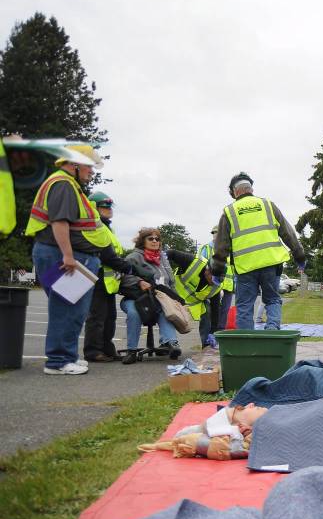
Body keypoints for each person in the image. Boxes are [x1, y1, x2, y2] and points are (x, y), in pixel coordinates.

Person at [26, 145, 133, 375]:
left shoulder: (66, 184)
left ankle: (67, 356)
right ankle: (58, 361)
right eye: (89, 166)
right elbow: (59, 222)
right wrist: (68, 255)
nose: (91, 172)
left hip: (62, 253)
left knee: (71, 308)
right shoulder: (63, 184)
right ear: (74, 164)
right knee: (67, 308)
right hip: (63, 255)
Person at [211, 172, 305, 330]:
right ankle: (273, 331)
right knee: (272, 300)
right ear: (251, 189)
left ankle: (247, 344)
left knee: (245, 306)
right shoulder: (268, 205)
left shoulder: (229, 212)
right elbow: (288, 234)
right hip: (271, 265)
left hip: (245, 268)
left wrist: (217, 271)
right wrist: (299, 256)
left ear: (234, 191)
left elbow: (221, 246)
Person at [119, 228, 218, 364]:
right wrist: (139, 281)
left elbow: (170, 283)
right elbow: (122, 278)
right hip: (135, 298)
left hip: (158, 298)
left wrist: (175, 300)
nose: (155, 241)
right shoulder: (133, 257)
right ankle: (132, 351)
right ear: (143, 241)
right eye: (151, 238)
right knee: (134, 313)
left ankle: (171, 344)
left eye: (157, 239)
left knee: (168, 310)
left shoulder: (162, 259)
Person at [82, 191, 124, 363]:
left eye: (109, 206)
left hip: (108, 281)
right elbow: (106, 254)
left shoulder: (107, 227)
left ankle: (107, 348)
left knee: (109, 317)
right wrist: (126, 266)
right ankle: (93, 351)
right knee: (97, 318)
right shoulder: (94, 225)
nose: (108, 209)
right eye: (104, 206)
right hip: (96, 277)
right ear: (94, 207)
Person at [198, 226, 235, 345]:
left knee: (224, 313)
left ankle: (220, 337)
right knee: (210, 313)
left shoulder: (230, 249)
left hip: (227, 286)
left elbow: (233, 267)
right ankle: (208, 339)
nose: (217, 236)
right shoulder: (206, 248)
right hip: (211, 285)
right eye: (214, 233)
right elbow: (200, 265)